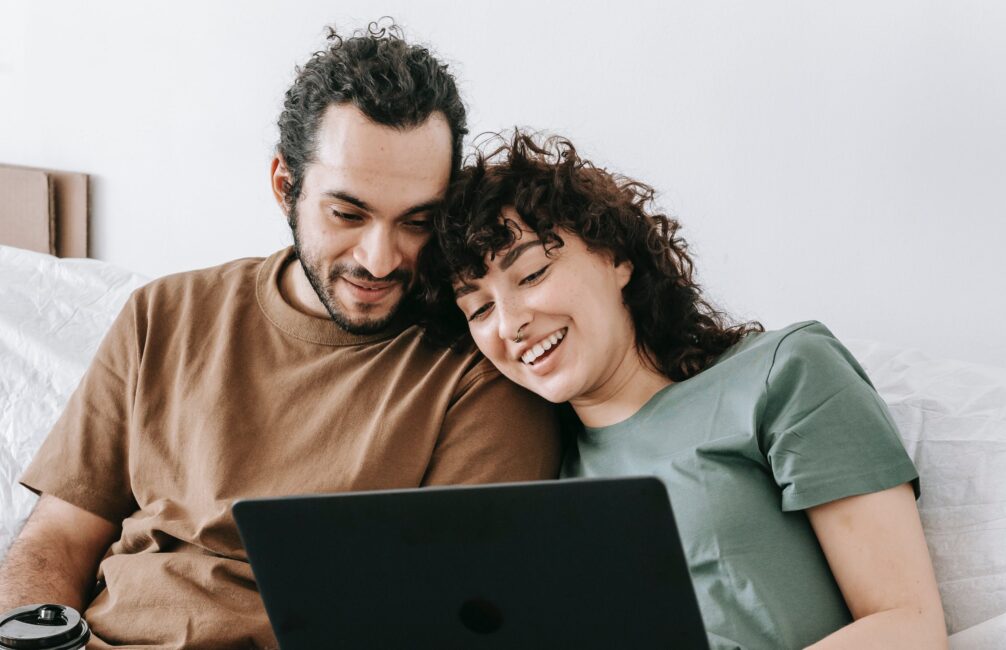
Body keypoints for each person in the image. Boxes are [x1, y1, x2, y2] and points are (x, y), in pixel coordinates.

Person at [0, 25, 562, 648]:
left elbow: (441, 622)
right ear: (284, 187)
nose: (380, 259)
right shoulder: (162, 313)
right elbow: (58, 536)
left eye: (417, 222)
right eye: (347, 214)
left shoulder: (478, 372)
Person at [420, 131, 948, 649]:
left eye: (531, 274)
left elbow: (910, 628)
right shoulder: (544, 478)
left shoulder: (783, 373)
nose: (510, 324)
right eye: (480, 309)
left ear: (616, 257)